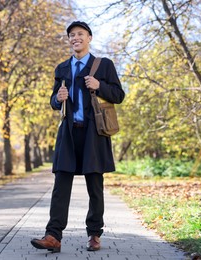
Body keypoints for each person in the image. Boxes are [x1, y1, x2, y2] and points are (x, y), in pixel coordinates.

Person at [30, 21, 125, 253]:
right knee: (61, 184)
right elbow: (53, 102)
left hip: (95, 134)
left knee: (95, 184)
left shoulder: (103, 65)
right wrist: (58, 98)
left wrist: (99, 85)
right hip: (69, 133)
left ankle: (94, 234)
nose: (75, 38)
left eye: (80, 34)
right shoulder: (62, 68)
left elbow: (118, 95)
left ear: (89, 38)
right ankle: (53, 236)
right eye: (71, 35)